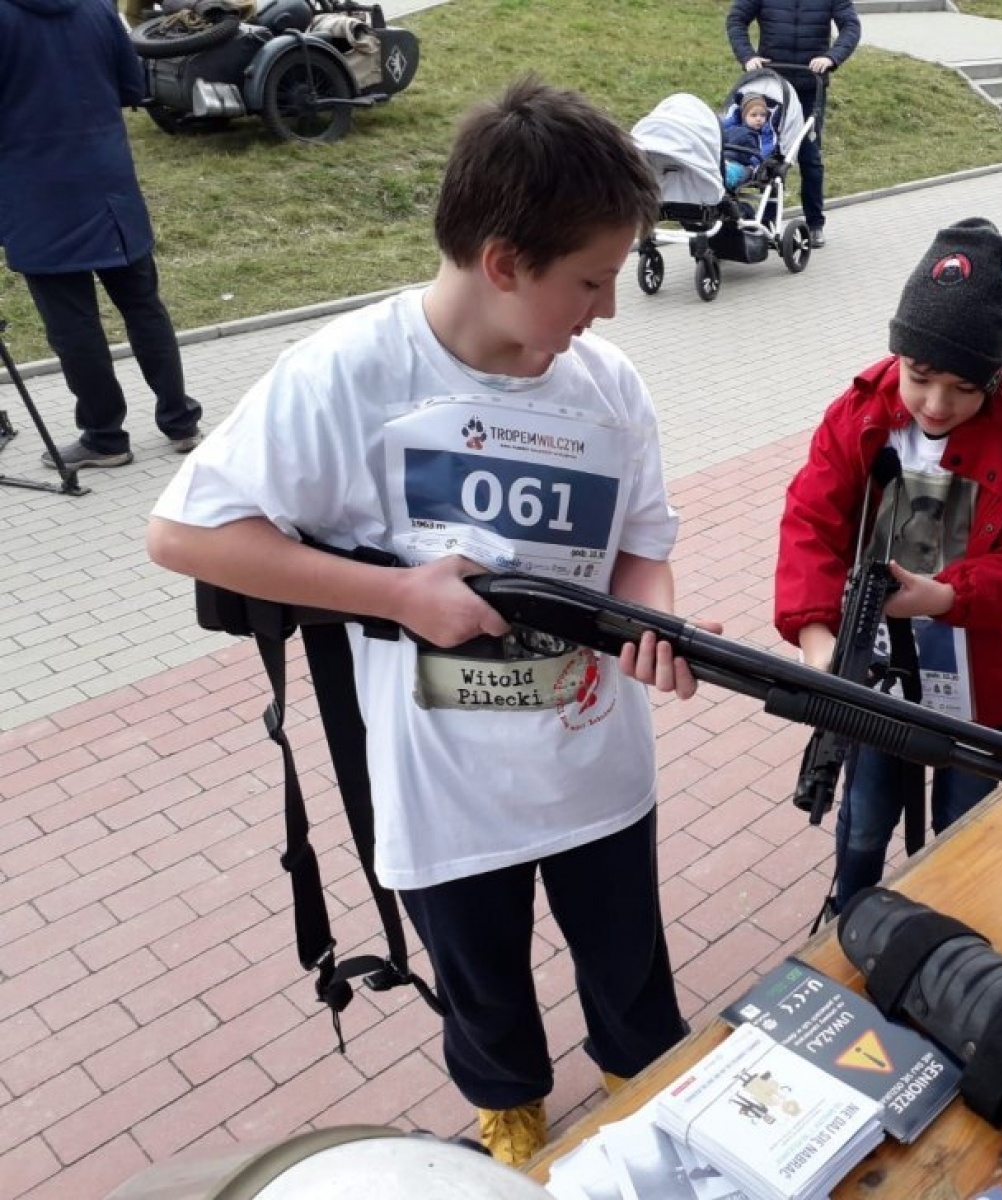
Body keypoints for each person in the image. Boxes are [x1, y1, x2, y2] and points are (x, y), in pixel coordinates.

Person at [146, 76, 707, 1169]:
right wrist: (401, 596)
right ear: (504, 263)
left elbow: (643, 543)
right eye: (590, 280)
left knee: (636, 994)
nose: (608, 308)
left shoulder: (606, 383)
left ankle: (661, 1138)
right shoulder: (345, 377)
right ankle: (512, 1151)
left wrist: (657, 624)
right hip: (444, 799)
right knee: (487, 1008)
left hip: (599, 771)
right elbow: (185, 534)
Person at [774, 218, 1002, 911]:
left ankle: (949, 926)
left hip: (980, 674)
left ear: (996, 377)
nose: (936, 405)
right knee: (862, 816)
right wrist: (815, 637)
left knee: (966, 823)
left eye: (963, 389)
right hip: (876, 665)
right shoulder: (859, 412)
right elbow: (811, 518)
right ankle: (847, 912)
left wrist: (946, 598)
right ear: (899, 355)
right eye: (919, 379)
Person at [0, 0, 204, 470]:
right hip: (110, 184)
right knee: (143, 305)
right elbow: (132, 85)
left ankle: (105, 436)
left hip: (35, 195)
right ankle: (181, 422)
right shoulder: (95, 7)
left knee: (74, 326)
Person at [726, 0, 861, 248]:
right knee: (771, 158)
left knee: (810, 157)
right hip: (773, 87)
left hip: (810, 87)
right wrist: (748, 56)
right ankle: (766, 222)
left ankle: (815, 223)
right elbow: (736, 19)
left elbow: (851, 26)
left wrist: (832, 57)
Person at [723, 93, 777, 189]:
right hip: (724, 160)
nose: (758, 119)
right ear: (744, 117)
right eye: (753, 115)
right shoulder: (733, 128)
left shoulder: (764, 134)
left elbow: (766, 149)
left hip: (744, 166)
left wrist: (754, 164)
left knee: (730, 174)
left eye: (763, 115)